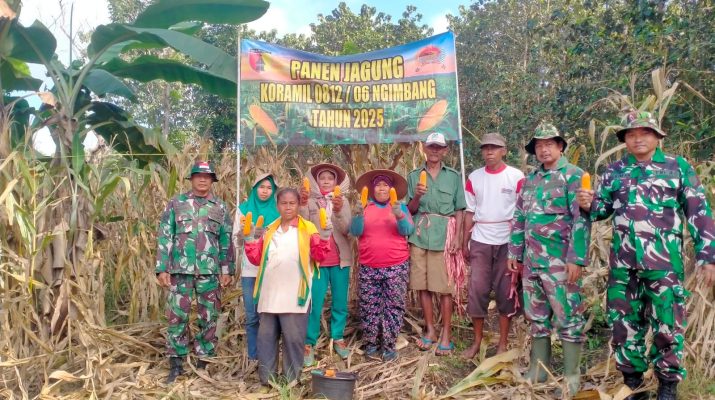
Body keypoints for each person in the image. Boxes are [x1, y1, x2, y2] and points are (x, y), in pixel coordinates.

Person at [576, 111, 715, 400]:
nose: (638, 138)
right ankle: (634, 384)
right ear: (625, 139)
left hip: (663, 264)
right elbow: (601, 211)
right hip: (623, 265)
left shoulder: (677, 167)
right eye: (631, 134)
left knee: (667, 323)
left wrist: (708, 256)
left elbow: (699, 213)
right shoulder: (615, 171)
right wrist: (588, 204)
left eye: (645, 132)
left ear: (657, 137)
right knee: (624, 325)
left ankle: (667, 386)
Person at [507, 123, 591, 397]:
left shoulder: (574, 176)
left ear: (560, 146)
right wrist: (514, 252)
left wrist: (576, 258)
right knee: (537, 317)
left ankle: (571, 377)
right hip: (532, 261)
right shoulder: (531, 180)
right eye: (539, 145)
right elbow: (520, 217)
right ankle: (539, 369)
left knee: (568, 318)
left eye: (549, 144)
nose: (544, 150)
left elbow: (581, 219)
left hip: (560, 263)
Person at [155, 160, 235, 384]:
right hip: (180, 271)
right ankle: (176, 363)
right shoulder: (177, 203)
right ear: (191, 179)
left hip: (209, 272)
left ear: (212, 181)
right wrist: (162, 268)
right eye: (198, 175)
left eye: (207, 177)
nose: (202, 179)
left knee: (209, 316)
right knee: (176, 316)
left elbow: (226, 240)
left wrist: (227, 269)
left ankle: (204, 361)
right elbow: (165, 235)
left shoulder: (220, 207)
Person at [244, 187, 330, 386]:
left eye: (292, 203)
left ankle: (291, 382)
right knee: (266, 340)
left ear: (299, 205)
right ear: (277, 206)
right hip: (269, 295)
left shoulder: (308, 229)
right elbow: (257, 258)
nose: (288, 207)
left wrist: (325, 237)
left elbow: (320, 256)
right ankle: (268, 381)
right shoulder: (269, 230)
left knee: (293, 340)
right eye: (284, 203)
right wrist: (249, 241)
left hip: (294, 296)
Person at [462, 133, 525, 359]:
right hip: (481, 239)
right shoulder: (475, 177)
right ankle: (477, 341)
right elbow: (470, 212)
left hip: (507, 241)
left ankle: (503, 343)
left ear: (504, 151)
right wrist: (464, 242)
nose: (489, 152)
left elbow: (522, 212)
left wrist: (520, 246)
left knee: (505, 291)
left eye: (494, 148)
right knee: (477, 290)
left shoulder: (516, 176)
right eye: (485, 148)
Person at [407, 132, 466, 356]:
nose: (434, 150)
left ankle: (446, 334)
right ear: (424, 147)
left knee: (444, 288)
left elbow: (460, 210)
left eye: (438, 147)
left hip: (444, 236)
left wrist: (458, 238)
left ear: (445, 150)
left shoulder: (453, 176)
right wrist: (416, 197)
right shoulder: (414, 176)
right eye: (430, 146)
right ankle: (430, 330)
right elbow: (409, 210)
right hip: (420, 235)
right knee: (422, 285)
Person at [350, 169, 415, 362]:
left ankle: (388, 346)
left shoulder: (400, 207)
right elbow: (355, 232)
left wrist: (399, 215)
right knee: (369, 306)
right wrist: (358, 215)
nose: (381, 188)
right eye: (378, 185)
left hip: (396, 265)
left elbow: (408, 230)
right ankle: (371, 344)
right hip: (369, 265)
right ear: (372, 189)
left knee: (393, 306)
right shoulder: (364, 207)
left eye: (385, 185)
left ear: (391, 188)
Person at [299, 163, 353, 366]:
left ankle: (338, 338)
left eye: (331, 178)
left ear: (336, 182)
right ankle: (309, 342)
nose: (327, 181)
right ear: (316, 181)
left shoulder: (343, 201)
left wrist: (338, 211)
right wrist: (303, 204)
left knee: (340, 302)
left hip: (340, 260)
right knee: (314, 303)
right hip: (317, 261)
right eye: (322, 178)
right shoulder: (309, 201)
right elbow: (303, 224)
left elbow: (347, 229)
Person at [233, 173, 279, 361]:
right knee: (252, 316)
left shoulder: (278, 212)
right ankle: (253, 356)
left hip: (272, 270)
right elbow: (236, 241)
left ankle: (269, 355)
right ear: (254, 189)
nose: (265, 191)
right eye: (261, 187)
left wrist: (264, 236)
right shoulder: (243, 211)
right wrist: (245, 236)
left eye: (269, 188)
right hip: (250, 271)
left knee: (269, 316)